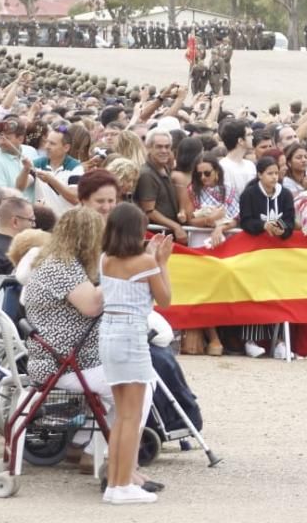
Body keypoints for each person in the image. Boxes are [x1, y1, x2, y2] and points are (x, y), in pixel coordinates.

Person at [22, 207, 157, 493]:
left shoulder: (58, 262)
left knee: (132, 391)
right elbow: (92, 305)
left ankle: (97, 450)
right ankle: (116, 465)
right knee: (142, 388)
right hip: (64, 365)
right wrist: (120, 275)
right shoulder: (62, 266)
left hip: (66, 360)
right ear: (88, 237)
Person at [98, 202, 173, 505]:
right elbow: (165, 299)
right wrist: (162, 262)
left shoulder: (105, 259)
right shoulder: (143, 262)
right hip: (130, 333)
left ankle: (117, 483)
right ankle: (122, 484)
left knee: (121, 416)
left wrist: (152, 257)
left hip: (109, 331)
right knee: (131, 416)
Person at [135, 131, 185, 240]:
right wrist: (176, 227)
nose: (164, 151)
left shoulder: (165, 168)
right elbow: (149, 211)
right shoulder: (147, 174)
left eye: (167, 147)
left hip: (167, 234)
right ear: (148, 148)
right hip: (156, 236)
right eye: (159, 147)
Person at [184, 152, 239, 248]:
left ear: (216, 171)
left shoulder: (229, 189)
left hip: (225, 237)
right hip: (200, 239)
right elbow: (191, 221)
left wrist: (220, 228)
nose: (203, 177)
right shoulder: (192, 191)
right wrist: (209, 219)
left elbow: (235, 219)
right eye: (199, 174)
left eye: (207, 173)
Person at [31, 128, 83, 217]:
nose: (47, 146)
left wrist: (51, 180)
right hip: (42, 221)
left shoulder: (76, 167)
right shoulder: (37, 163)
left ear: (66, 147)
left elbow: (75, 198)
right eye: (47, 142)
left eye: (52, 144)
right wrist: (25, 170)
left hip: (66, 222)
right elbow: (20, 186)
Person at [0, 118, 36, 202]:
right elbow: (0, 197)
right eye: (0, 137)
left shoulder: (31, 151)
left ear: (20, 139)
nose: (1, 142)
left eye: (7, 138)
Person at [218, 119, 257, 196]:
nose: (253, 137)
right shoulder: (223, 167)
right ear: (240, 141)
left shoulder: (250, 165)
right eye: (249, 135)